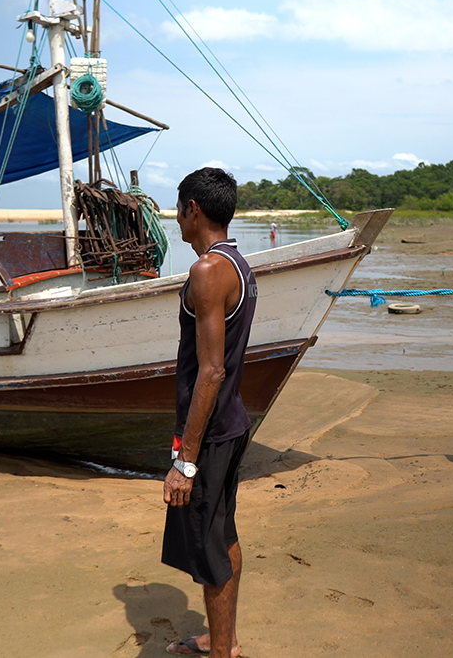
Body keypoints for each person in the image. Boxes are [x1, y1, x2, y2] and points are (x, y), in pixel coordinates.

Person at [162, 167, 257, 658]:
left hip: (212, 434)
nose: (176, 220)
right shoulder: (238, 263)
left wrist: (185, 462)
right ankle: (226, 640)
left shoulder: (207, 271)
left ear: (193, 209)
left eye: (178, 209)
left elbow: (211, 372)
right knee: (224, 534)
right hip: (232, 424)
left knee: (208, 546)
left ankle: (222, 652)